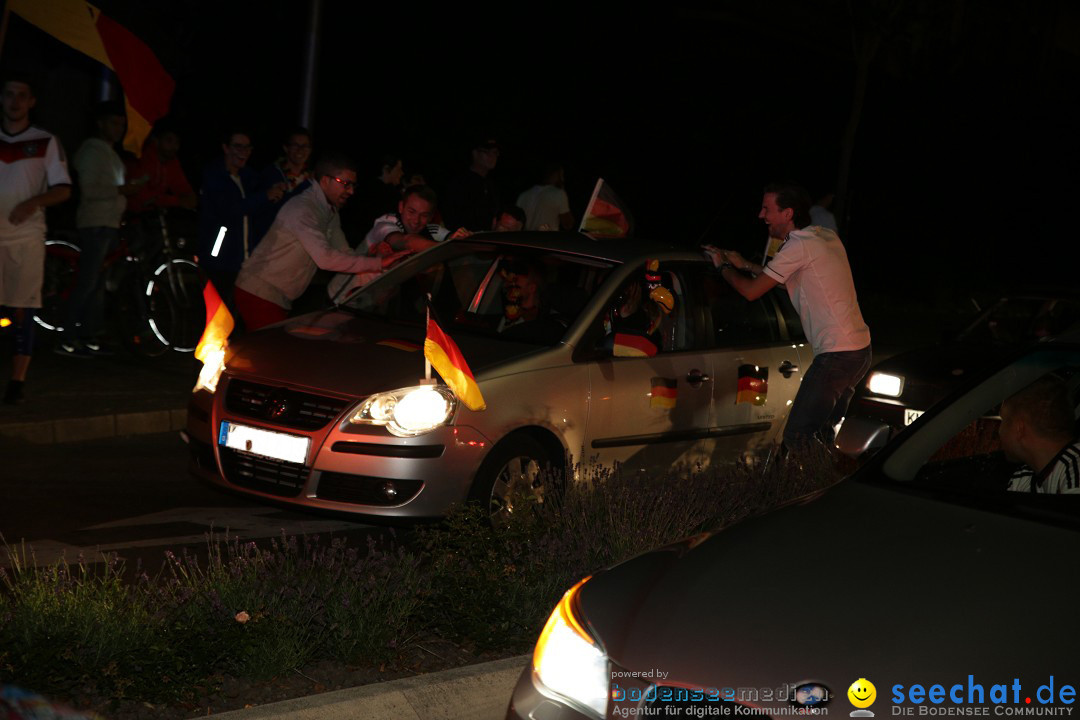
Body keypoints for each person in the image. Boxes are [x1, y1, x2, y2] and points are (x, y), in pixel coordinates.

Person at [704, 182, 871, 449]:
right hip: (858, 352)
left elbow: (750, 292)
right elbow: (786, 281)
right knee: (822, 436)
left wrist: (723, 266)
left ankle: (804, 488)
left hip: (837, 355)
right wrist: (745, 264)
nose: (761, 215)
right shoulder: (823, 236)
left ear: (788, 213)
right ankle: (825, 483)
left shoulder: (797, 246)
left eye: (766, 209)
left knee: (798, 436)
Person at [233, 152, 410, 331]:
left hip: (275, 297)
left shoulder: (329, 211)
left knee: (273, 354)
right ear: (325, 181)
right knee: (274, 355)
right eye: (346, 184)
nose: (351, 191)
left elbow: (344, 253)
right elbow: (325, 259)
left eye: (353, 185)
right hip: (258, 292)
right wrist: (378, 263)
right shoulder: (303, 209)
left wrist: (372, 253)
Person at [0, 73, 72, 403]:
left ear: (31, 102)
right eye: (9, 94)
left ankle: (17, 381)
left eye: (22, 95)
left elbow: (63, 189)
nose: (15, 101)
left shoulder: (45, 141)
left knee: (20, 309)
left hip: (25, 238)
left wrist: (32, 202)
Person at [58, 101, 144, 358]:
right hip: (95, 223)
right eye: (114, 123)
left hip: (107, 224)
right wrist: (121, 190)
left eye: (121, 124)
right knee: (87, 282)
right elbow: (90, 190)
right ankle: (67, 337)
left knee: (96, 283)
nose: (119, 129)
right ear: (100, 123)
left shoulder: (109, 153)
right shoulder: (91, 151)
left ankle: (89, 336)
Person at [196, 129, 285, 307]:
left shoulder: (247, 177)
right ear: (226, 148)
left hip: (244, 259)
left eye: (247, 148)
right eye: (238, 146)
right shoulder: (214, 175)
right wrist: (264, 196)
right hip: (219, 259)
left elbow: (264, 195)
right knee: (216, 311)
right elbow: (230, 209)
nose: (243, 152)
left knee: (238, 310)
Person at [999, 375, 1080, 494]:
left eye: (1003, 420)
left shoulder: (1075, 469)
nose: (999, 431)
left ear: (1019, 429)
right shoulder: (1023, 478)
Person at [361, 184, 469, 256]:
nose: (416, 220)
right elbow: (406, 242)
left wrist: (461, 239)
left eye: (424, 215)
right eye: (411, 212)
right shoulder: (384, 223)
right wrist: (449, 248)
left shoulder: (433, 230)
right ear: (401, 207)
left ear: (431, 217)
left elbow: (454, 239)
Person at [125, 123, 196, 214]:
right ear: (156, 140)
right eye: (169, 141)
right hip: (130, 215)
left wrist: (186, 200)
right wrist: (177, 201)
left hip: (153, 215)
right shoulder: (142, 157)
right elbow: (140, 196)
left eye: (177, 142)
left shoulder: (172, 162)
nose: (174, 147)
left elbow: (186, 192)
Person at [441, 136, 501, 232]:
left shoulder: (492, 186)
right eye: (487, 152)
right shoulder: (460, 183)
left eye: (495, 152)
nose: (492, 156)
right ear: (475, 153)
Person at [516, 162, 574, 231]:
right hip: (546, 240)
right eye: (561, 175)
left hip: (525, 239)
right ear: (555, 174)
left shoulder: (524, 195)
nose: (562, 178)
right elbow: (568, 224)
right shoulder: (558, 194)